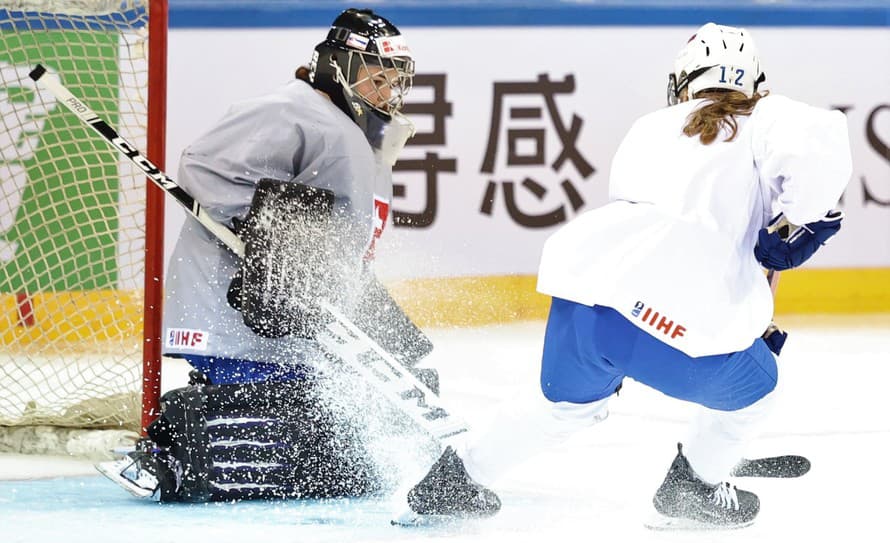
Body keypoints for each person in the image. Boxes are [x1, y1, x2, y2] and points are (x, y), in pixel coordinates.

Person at [403, 23, 851, 529]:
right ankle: (695, 486)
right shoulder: (770, 118)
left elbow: (691, 230)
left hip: (589, 298)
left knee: (562, 408)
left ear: (683, 81)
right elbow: (819, 146)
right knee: (760, 387)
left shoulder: (649, 129)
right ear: (754, 83)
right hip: (679, 326)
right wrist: (812, 214)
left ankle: (454, 480)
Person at [97, 7, 437, 502]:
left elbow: (337, 234)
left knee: (350, 432)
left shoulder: (357, 131)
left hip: (295, 309)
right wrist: (269, 238)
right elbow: (204, 167)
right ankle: (170, 453)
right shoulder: (291, 111)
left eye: (393, 81)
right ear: (335, 65)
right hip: (240, 309)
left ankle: (192, 444)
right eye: (374, 77)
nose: (386, 92)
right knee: (311, 419)